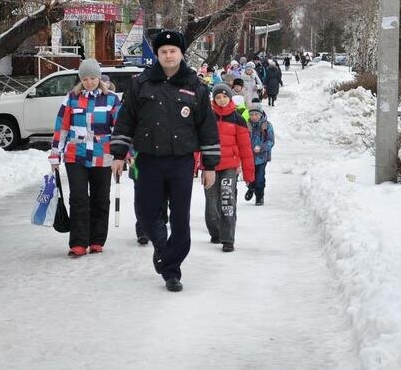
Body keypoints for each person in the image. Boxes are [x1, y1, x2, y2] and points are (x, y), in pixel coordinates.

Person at [110, 30, 220, 293]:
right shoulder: (141, 84)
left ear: (181, 54)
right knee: (148, 216)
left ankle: (172, 271)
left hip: (181, 162)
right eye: (163, 52)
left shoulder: (196, 86)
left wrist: (210, 165)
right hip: (149, 161)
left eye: (173, 51)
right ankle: (162, 250)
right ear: (157, 55)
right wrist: (118, 154)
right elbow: (126, 120)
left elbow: (207, 128)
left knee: (180, 221)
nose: (168, 55)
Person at [48, 59, 121, 257]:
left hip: (102, 156)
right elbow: (61, 127)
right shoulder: (72, 98)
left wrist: (122, 155)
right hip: (76, 155)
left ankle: (97, 240)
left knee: (100, 198)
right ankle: (78, 243)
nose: (89, 82)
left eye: (93, 78)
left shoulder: (111, 99)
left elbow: (119, 129)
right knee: (79, 198)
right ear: (80, 79)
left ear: (99, 77)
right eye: (85, 78)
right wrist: (55, 153)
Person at [202, 84, 255, 252]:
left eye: (225, 97)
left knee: (227, 199)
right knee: (211, 203)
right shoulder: (206, 116)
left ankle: (228, 239)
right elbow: (198, 142)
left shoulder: (238, 118)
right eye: (218, 97)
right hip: (210, 166)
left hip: (230, 166)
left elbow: (245, 148)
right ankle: (215, 232)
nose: (222, 100)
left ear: (230, 98)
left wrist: (249, 174)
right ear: (214, 99)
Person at [245, 102, 274, 206]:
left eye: (256, 114)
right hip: (249, 156)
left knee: (260, 177)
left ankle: (259, 196)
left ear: (261, 114)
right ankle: (251, 187)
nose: (254, 117)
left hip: (262, 157)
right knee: (250, 176)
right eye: (251, 115)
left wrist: (261, 147)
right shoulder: (247, 125)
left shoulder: (267, 126)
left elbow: (270, 141)